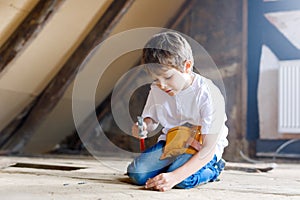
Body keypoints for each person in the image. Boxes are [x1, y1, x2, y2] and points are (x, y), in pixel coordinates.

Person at [127, 31, 228, 192]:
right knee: (136, 174)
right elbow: (152, 120)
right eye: (155, 79)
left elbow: (208, 149)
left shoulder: (209, 94)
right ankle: (171, 169)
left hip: (201, 150)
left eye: (167, 78)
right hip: (172, 143)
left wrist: (174, 177)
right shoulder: (157, 89)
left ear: (187, 66)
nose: (161, 85)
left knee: (183, 180)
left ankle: (213, 169)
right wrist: (144, 127)